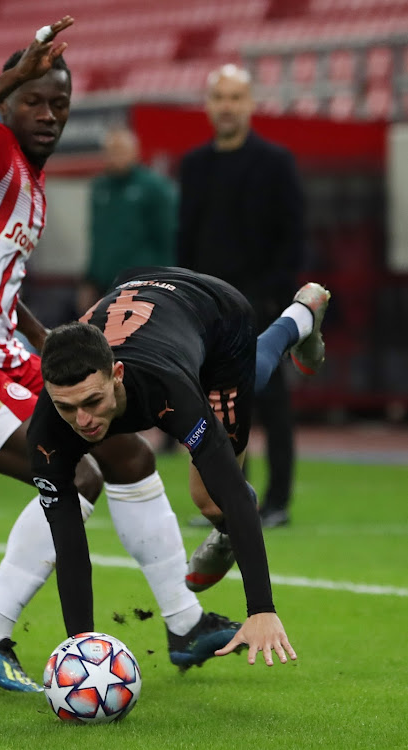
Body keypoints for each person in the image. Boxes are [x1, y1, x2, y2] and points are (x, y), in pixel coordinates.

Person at [0, 18, 242, 693]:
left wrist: (41, 337)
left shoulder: (27, 178)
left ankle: (184, 622)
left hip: (2, 352)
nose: (49, 115)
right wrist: (12, 77)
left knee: (130, 455)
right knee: (76, 474)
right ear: (8, 103)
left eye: (60, 103)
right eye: (35, 101)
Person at [27, 266, 330, 666]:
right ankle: (300, 321)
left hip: (218, 315)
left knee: (212, 498)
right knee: (218, 478)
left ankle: (300, 316)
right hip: (152, 306)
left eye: (92, 402)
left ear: (117, 374)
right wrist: (81, 648)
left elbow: (236, 491)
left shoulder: (168, 391)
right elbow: (67, 539)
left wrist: (261, 609)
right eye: (67, 407)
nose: (83, 420)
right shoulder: (47, 431)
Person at [177, 64, 306, 528]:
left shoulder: (276, 162)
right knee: (214, 408)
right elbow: (185, 238)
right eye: (219, 97)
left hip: (260, 305)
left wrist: (274, 298)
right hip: (206, 308)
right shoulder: (193, 166)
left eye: (236, 97)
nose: (227, 106)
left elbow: (292, 237)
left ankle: (277, 502)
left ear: (250, 103)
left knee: (271, 405)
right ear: (208, 106)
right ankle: (232, 499)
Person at [77, 126, 176, 316]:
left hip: (143, 287)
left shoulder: (154, 188)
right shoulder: (99, 188)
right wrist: (88, 280)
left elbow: (168, 238)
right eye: (110, 151)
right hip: (106, 287)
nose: (115, 156)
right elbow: (96, 237)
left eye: (120, 150)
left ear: (134, 152)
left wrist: (167, 284)